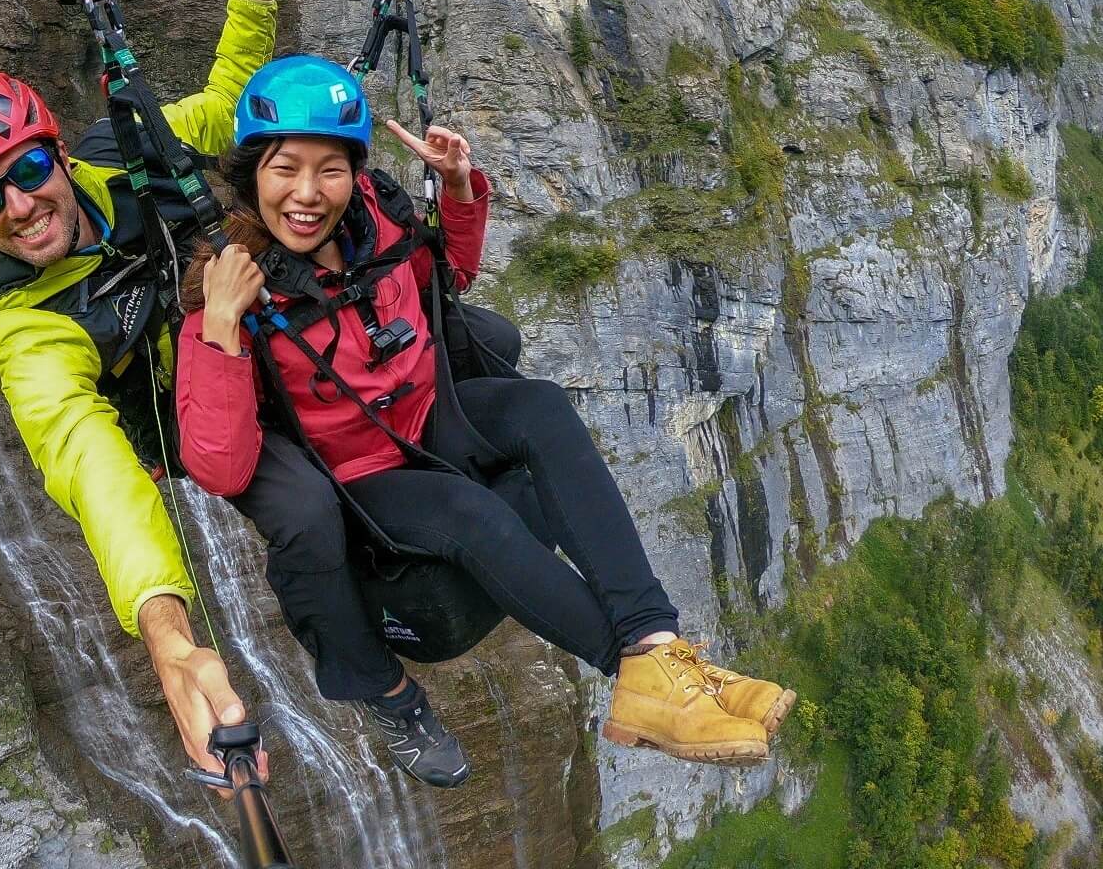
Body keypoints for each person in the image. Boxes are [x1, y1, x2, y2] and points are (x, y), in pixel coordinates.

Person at [175, 55, 796, 787]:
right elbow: (218, 466)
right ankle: (639, 680)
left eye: (330, 169)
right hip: (363, 476)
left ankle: (656, 642)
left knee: (539, 405)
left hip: (427, 416)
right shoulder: (230, 286)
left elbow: (450, 281)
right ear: (253, 173)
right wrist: (220, 321)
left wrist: (462, 191)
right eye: (286, 168)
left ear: (354, 173)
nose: (308, 193)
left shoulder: (375, 222)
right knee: (471, 513)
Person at [0, 0, 278, 784]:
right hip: (176, 433)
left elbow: (225, 105)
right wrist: (168, 637)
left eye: (29, 165)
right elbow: (83, 456)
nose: (19, 203)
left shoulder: (119, 156)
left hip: (225, 352)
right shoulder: (20, 321)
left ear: (60, 154)